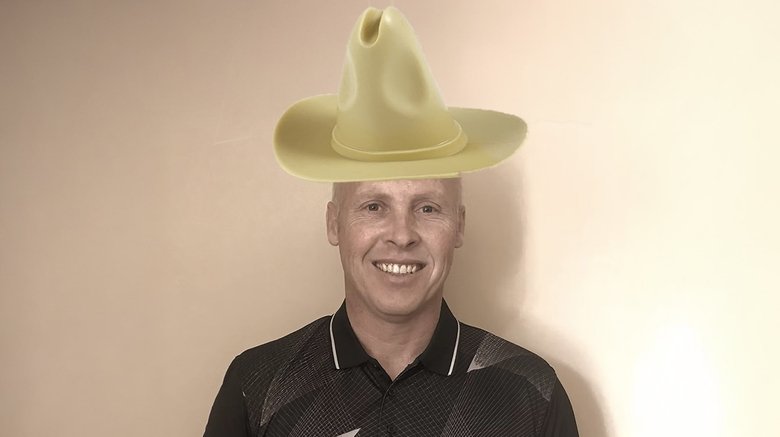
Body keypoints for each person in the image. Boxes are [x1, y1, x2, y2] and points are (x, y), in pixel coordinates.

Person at [204, 6, 579, 437]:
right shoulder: (257, 386)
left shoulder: (531, 394)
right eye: (373, 206)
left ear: (458, 225)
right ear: (334, 223)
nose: (402, 235)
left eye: (427, 208)